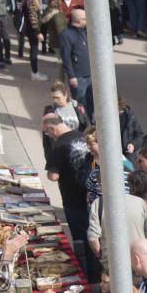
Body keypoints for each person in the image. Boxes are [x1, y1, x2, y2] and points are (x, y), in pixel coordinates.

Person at [42, 112, 90, 269]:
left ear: (51, 128)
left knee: (81, 238)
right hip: (90, 194)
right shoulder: (82, 135)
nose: (48, 135)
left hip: (73, 198)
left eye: (47, 132)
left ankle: (87, 270)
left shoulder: (58, 146)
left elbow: (53, 176)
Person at [88, 170, 147, 271]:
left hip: (112, 264)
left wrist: (102, 258)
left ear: (101, 184)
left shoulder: (98, 204)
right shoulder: (139, 202)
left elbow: (93, 237)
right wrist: (146, 256)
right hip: (139, 261)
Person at [59, 8, 91, 109]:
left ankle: (90, 122)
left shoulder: (85, 32)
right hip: (78, 76)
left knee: (90, 101)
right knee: (80, 103)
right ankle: (82, 123)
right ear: (78, 21)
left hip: (89, 73)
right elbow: (66, 57)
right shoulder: (66, 35)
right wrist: (72, 76)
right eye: (85, 19)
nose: (87, 21)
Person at [18, 0, 47, 81]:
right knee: (34, 51)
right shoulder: (31, 1)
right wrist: (38, 32)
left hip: (30, 29)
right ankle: (35, 73)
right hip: (32, 30)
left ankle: (35, 72)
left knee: (33, 50)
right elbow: (33, 19)